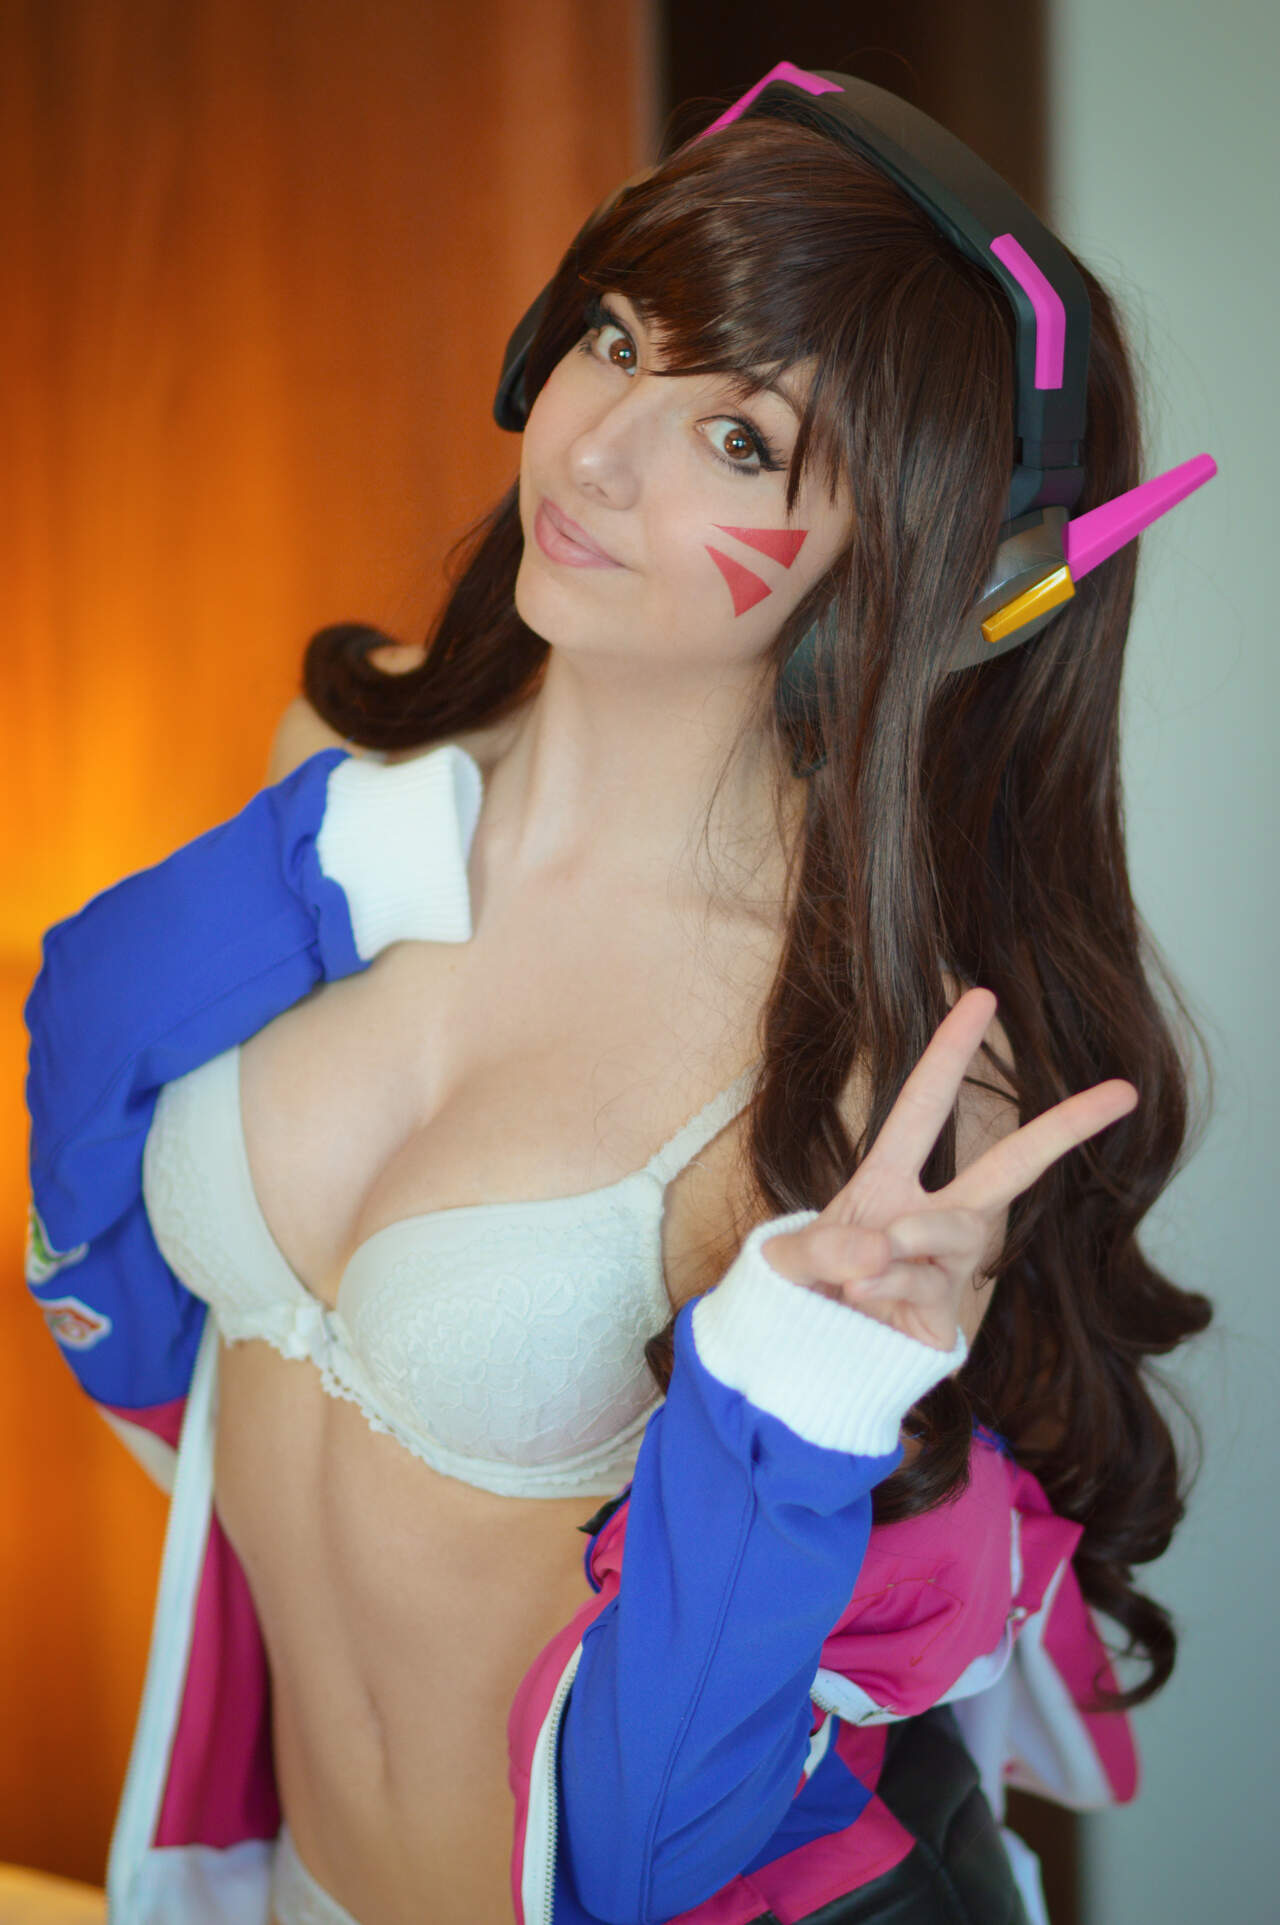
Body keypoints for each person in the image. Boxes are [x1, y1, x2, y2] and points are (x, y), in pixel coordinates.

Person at [23, 62, 1216, 1925]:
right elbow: (82, 1072)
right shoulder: (341, 772)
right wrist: (317, 867)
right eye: (611, 339)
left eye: (740, 437)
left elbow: (667, 1829)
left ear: (923, 567)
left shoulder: (869, 1082)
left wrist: (803, 1399)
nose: (591, 452)